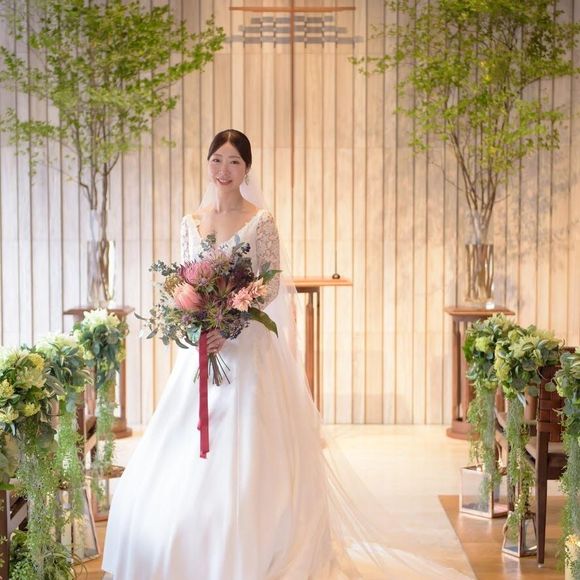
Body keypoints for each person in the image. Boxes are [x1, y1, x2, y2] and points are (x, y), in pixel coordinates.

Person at [102, 129, 472, 579]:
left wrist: (229, 321)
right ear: (208, 162)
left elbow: (271, 283)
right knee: (183, 446)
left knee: (249, 450)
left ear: (247, 169)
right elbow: (182, 281)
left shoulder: (260, 221)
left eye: (234, 162)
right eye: (217, 160)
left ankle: (254, 548)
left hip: (247, 350)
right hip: (203, 348)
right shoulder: (190, 222)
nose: (224, 170)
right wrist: (199, 320)